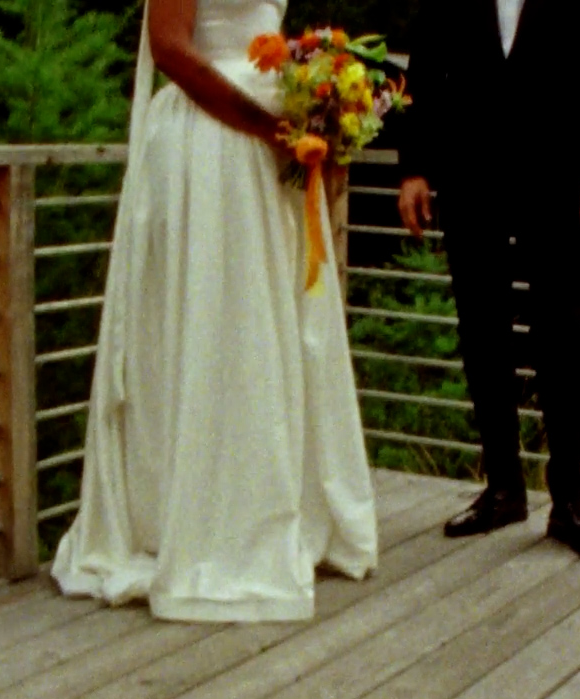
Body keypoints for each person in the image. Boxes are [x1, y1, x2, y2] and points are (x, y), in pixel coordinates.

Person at [51, 0, 378, 622]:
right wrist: (262, 123)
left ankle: (268, 502)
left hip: (262, 151)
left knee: (264, 327)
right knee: (207, 316)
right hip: (208, 142)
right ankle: (193, 517)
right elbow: (172, 49)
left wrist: (312, 101)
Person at [397, 0, 580, 560]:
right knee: (481, 328)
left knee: (563, 333)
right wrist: (413, 167)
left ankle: (570, 500)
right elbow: (423, 70)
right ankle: (503, 487)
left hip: (557, 172)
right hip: (468, 170)